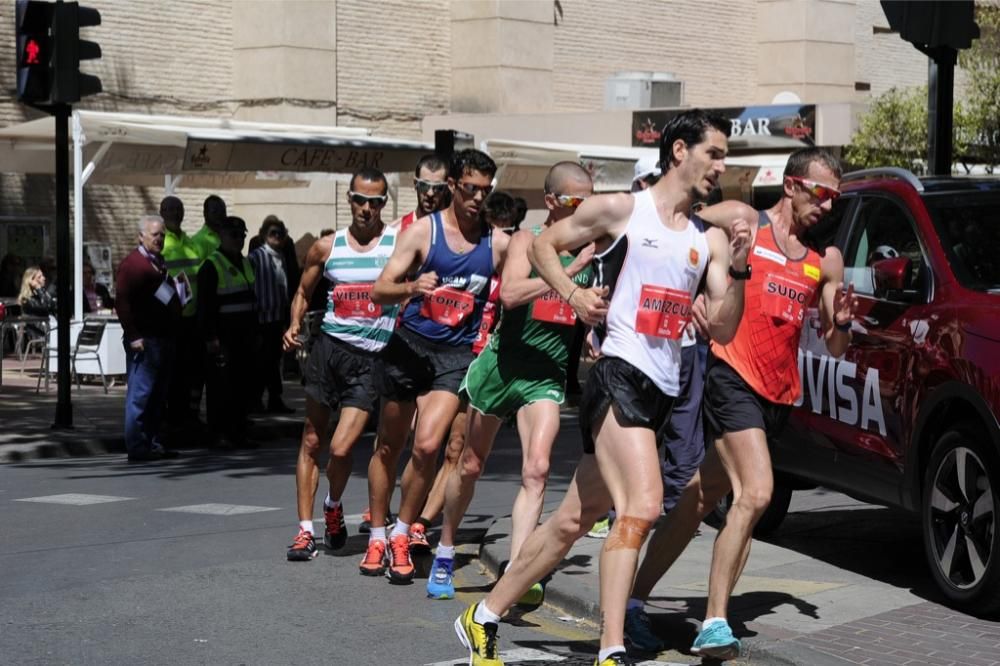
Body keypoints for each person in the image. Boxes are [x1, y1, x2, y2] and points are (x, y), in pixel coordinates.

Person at [453, 109, 752, 666]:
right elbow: (545, 245)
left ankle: (484, 616)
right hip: (617, 376)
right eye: (714, 153)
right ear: (680, 151)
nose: (721, 167)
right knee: (641, 506)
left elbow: (726, 326)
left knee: (571, 520)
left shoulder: (706, 240)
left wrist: (737, 270)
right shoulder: (623, 209)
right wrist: (570, 294)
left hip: (661, 390)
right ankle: (611, 649)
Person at [614, 147, 857, 660]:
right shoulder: (746, 220)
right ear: (791, 185)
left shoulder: (825, 260)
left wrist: (846, 323)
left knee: (702, 497)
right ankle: (715, 622)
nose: (828, 207)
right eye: (821, 194)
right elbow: (679, 226)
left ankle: (634, 602)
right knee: (757, 493)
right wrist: (694, 288)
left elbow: (836, 345)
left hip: (779, 393)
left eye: (835, 198)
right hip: (732, 376)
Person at [426, 162, 595, 603]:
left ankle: (518, 574)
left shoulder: (595, 250)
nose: (586, 210)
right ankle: (445, 547)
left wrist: (596, 327)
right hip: (502, 368)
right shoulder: (528, 241)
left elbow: (591, 310)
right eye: (578, 202)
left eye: (590, 201)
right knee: (469, 464)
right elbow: (510, 295)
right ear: (553, 201)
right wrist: (567, 276)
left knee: (537, 470)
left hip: (545, 374)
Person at [363, 148, 510, 583]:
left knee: (428, 448)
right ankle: (376, 532)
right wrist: (412, 286)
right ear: (452, 186)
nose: (477, 198)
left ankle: (402, 534)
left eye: (485, 190)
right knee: (389, 446)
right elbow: (379, 290)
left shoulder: (496, 243)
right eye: (470, 188)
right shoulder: (423, 233)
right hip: (408, 347)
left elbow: (526, 275)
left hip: (455, 356)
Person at [283, 167, 399, 561]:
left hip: (370, 360)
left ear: (385, 203)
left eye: (376, 201)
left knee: (343, 446)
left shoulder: (397, 244)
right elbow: (302, 291)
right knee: (312, 442)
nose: (367, 208)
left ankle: (333, 505)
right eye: (360, 200)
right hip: (328, 351)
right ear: (348, 199)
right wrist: (294, 322)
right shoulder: (326, 248)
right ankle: (304, 531)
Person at [116, 215, 182, 463]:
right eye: (155, 234)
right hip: (145, 340)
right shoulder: (132, 265)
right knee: (140, 396)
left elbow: (161, 294)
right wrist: (133, 336)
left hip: (163, 338)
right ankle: (137, 446)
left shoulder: (158, 264)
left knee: (157, 395)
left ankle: (152, 442)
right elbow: (121, 302)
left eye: (162, 234)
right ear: (141, 236)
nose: (160, 239)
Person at [197, 215, 257, 449]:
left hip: (245, 337)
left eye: (242, 235)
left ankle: (238, 432)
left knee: (242, 387)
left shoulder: (245, 263)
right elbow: (206, 306)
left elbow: (252, 301)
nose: (239, 240)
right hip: (223, 337)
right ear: (222, 236)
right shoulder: (212, 265)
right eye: (233, 235)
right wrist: (211, 338)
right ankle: (219, 433)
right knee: (221, 389)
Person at [159, 195, 205, 434]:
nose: (175, 213)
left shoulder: (191, 241)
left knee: (189, 370)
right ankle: (170, 417)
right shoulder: (160, 242)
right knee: (171, 370)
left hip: (193, 316)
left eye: (178, 209)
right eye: (170, 209)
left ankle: (186, 415)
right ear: (161, 212)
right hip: (171, 317)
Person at [249, 215, 295, 414]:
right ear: (263, 235)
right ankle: (256, 400)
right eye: (272, 233)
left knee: (274, 361)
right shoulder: (256, 257)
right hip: (261, 318)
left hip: (277, 318)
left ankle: (275, 400)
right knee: (260, 362)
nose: (277, 237)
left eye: (280, 233)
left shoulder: (282, 256)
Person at [394, 154, 450, 233]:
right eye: (424, 185)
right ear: (415, 184)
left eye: (438, 187)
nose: (430, 193)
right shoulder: (396, 231)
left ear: (447, 189)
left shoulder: (456, 233)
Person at [190, 195, 227, 261]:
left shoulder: (228, 238)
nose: (219, 214)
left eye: (223, 211)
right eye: (214, 212)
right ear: (205, 213)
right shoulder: (197, 241)